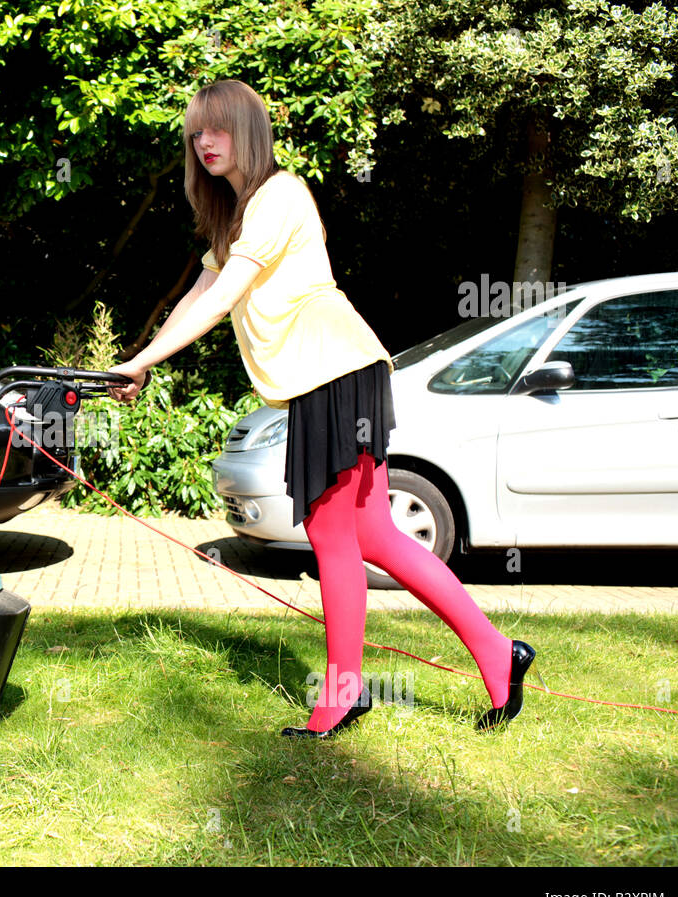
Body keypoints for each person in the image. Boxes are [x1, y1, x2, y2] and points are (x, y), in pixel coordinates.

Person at [107, 79, 535, 737]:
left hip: (333, 372)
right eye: (196, 134)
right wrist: (142, 356)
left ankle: (341, 695)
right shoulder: (236, 213)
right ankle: (498, 656)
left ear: (247, 130)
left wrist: (143, 362)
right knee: (375, 536)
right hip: (329, 374)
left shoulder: (281, 194)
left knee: (334, 535)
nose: (204, 143)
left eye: (216, 129)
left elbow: (223, 302)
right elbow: (200, 291)